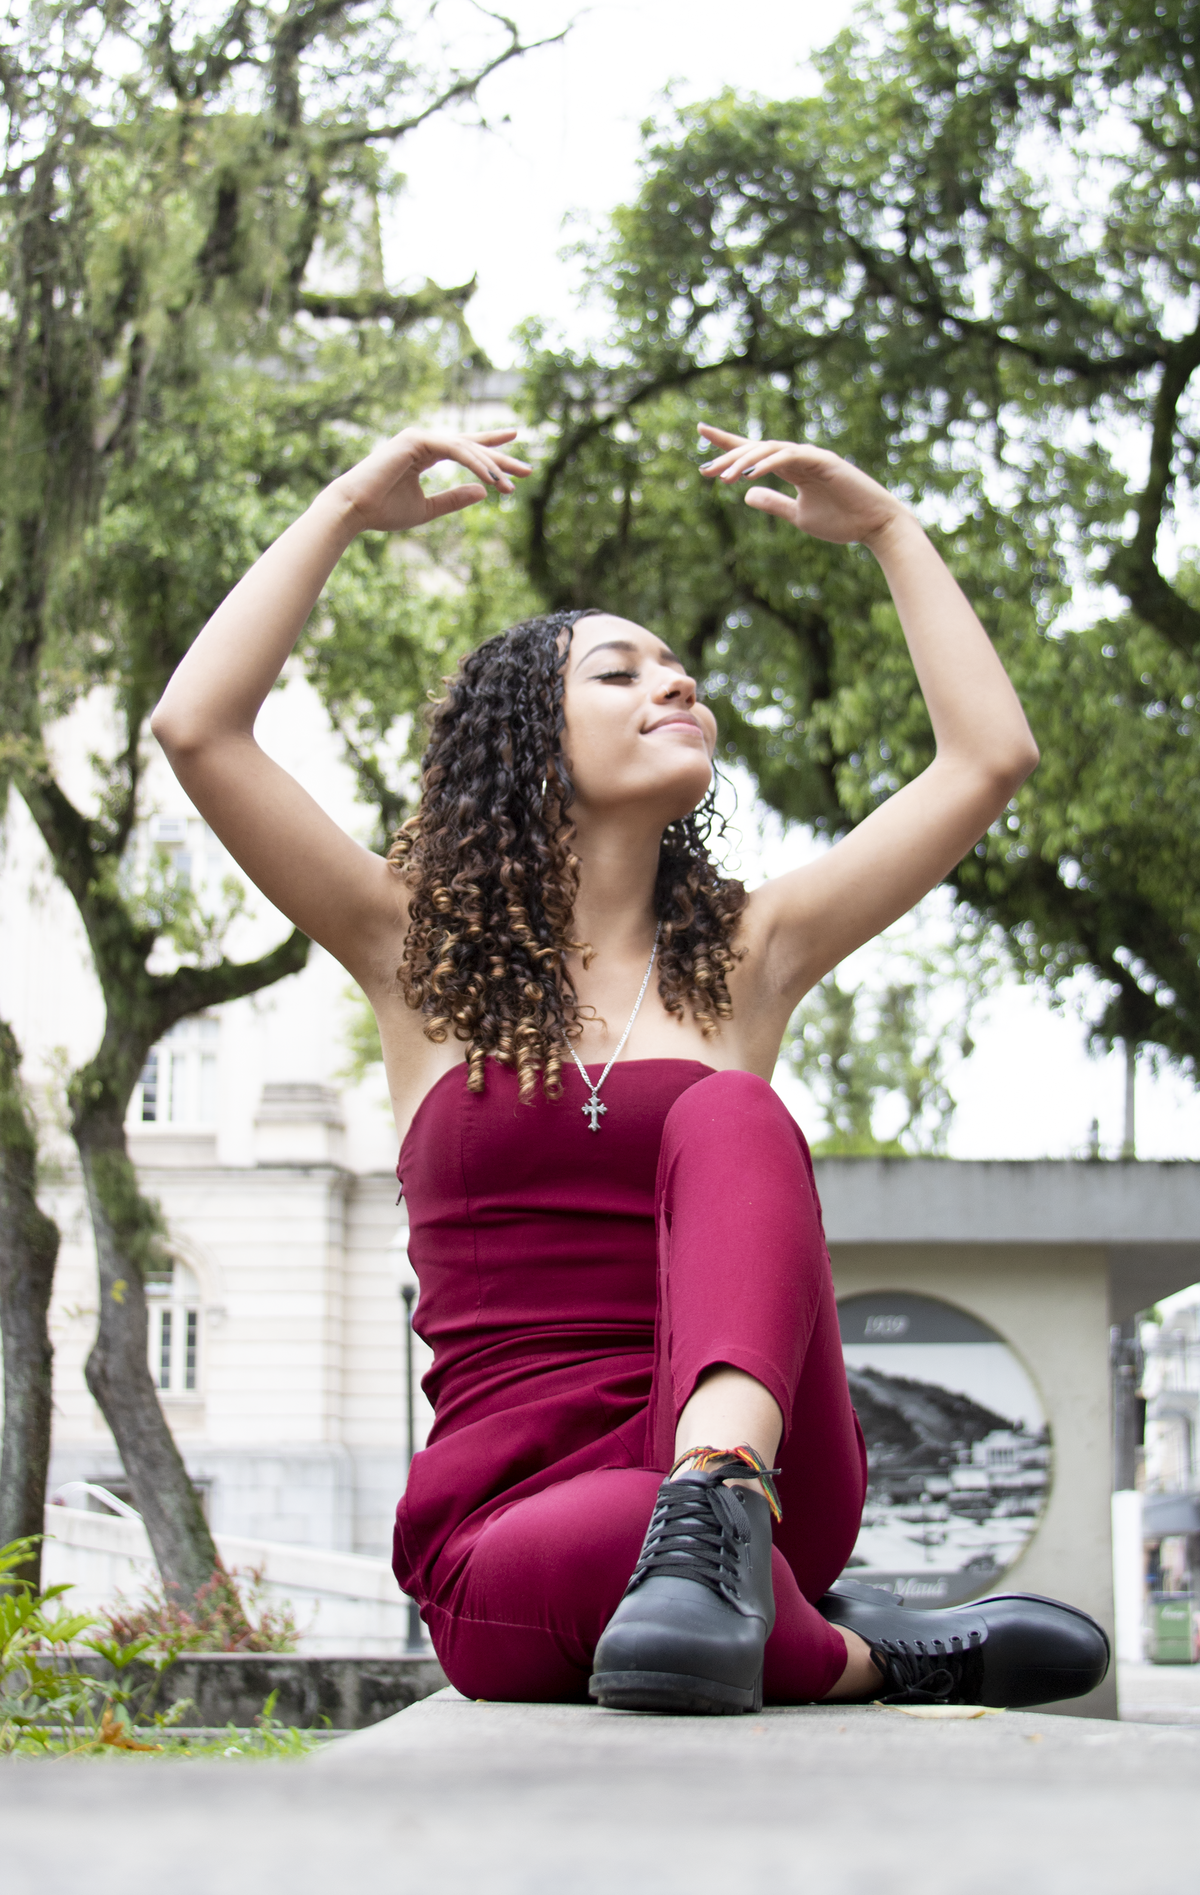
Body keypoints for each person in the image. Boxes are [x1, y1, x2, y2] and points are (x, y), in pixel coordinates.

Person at [152, 420, 1110, 1714]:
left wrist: (890, 528)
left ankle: (718, 1507)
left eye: (681, 672)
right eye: (622, 672)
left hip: (766, 1471)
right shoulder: (413, 951)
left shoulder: (751, 955)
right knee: (617, 1542)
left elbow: (988, 760)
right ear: (528, 741)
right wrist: (342, 508)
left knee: (730, 1112)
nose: (677, 685)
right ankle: (866, 1655)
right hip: (517, 1521)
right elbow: (199, 729)